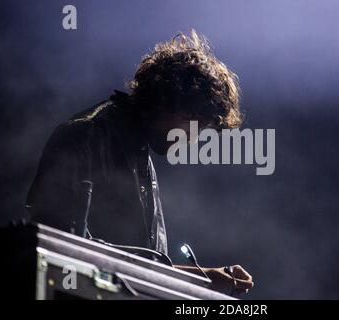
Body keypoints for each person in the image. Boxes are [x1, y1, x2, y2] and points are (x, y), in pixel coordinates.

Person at [25, 30, 253, 296]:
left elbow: (142, 269)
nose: (191, 139)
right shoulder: (84, 136)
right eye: (195, 125)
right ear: (170, 100)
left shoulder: (140, 155)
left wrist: (203, 280)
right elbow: (61, 251)